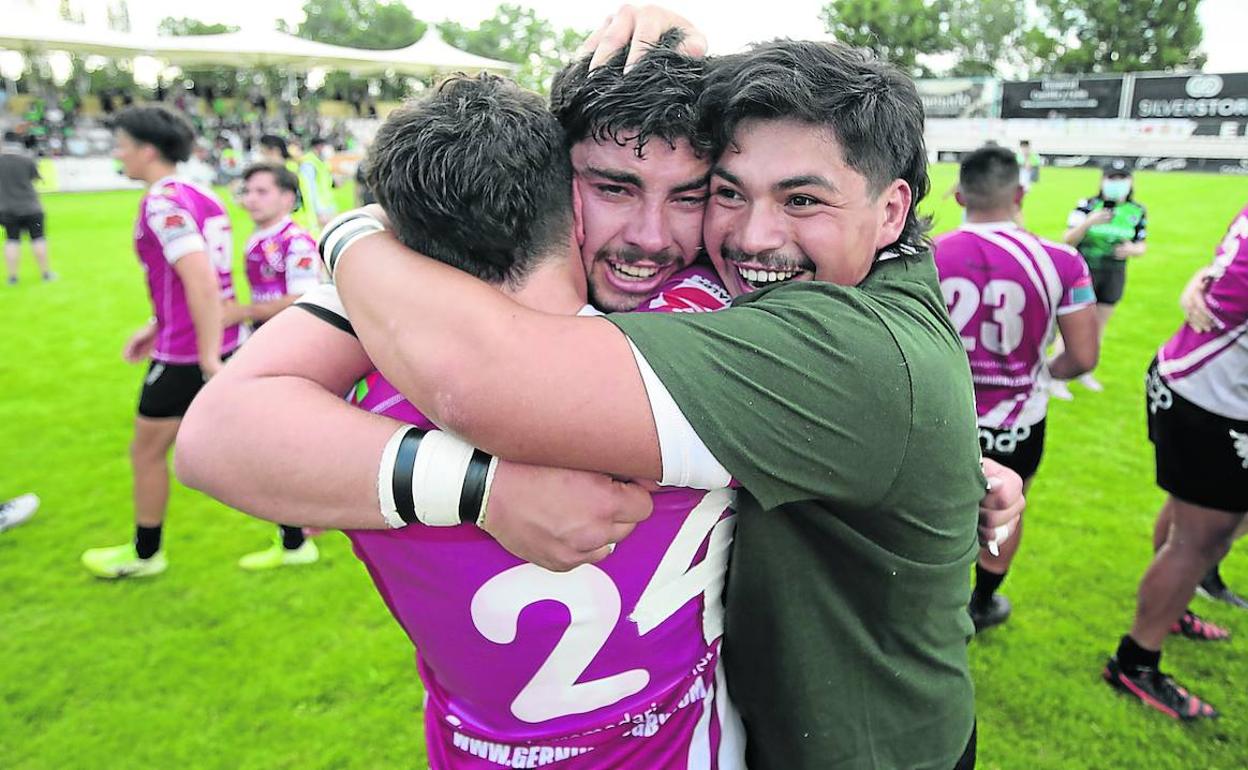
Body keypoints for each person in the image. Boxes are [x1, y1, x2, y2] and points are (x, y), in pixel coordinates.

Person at [315, 40, 991, 769]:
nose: (753, 237)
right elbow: (225, 435)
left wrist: (352, 232)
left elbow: (479, 377)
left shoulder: (838, 348)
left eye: (802, 200)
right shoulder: (804, 278)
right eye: (729, 193)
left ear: (892, 209)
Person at [187, 50, 749, 765]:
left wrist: (354, 235)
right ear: (561, 187)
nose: (650, 235)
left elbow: (212, 435)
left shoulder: (381, 363)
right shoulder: (718, 321)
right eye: (613, 187)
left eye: (690, 196)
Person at [935, 145, 1100, 632]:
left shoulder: (927, 255)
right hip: (1017, 422)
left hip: (942, 416)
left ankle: (931, 606)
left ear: (960, 193)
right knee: (1006, 504)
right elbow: (1084, 357)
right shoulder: (1062, 262)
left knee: (930, 503)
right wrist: (1045, 374)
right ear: (1021, 193)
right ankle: (982, 603)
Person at [1101, 200, 1248, 721]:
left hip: (1200, 384)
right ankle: (1135, 661)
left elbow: (1223, 275)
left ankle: (1175, 608)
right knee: (1204, 534)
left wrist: (1203, 277)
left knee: (1197, 522)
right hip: (1212, 397)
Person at [80, 105, 241, 580]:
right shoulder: (200, 194)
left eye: (122, 145)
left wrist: (207, 354)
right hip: (216, 337)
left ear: (147, 150)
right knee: (248, 442)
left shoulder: (162, 201)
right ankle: (296, 539)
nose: (118, 154)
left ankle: (146, 555)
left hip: (190, 350)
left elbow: (201, 279)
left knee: (147, 451)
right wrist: (155, 321)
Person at [228, 162, 324, 570]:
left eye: (262, 191)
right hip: (267, 345)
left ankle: (296, 538)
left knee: (278, 444)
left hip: (290, 352)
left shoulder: (295, 240)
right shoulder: (258, 238)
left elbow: (302, 298)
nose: (251, 198)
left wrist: (244, 312)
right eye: (247, 190)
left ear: (288, 197)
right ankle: (300, 529)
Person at [1061, 158, 1147, 393]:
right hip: (1083, 273)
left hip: (1114, 273)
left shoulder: (1137, 211)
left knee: (1097, 327)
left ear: (1130, 182)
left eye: (1122, 179)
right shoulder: (1087, 205)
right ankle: (1058, 376)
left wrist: (1133, 250)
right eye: (1112, 178)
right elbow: (1068, 239)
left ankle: (1084, 370)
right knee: (1072, 324)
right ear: (1102, 180)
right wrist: (1088, 223)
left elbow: (1141, 244)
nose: (1116, 183)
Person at [1, 131, 54, 284]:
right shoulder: (27, 159)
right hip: (31, 207)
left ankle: (12, 277)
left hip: (7, 208)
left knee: (12, 240)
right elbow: (36, 179)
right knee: (38, 239)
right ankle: (45, 273)